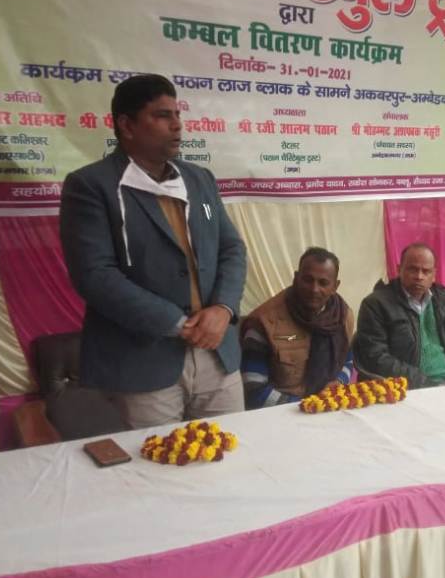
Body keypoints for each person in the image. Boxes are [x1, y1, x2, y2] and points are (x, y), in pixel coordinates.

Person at [60, 74, 247, 428]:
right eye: (162, 116)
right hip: (143, 360)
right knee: (158, 458)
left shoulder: (199, 180)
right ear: (127, 125)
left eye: (177, 114)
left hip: (216, 353)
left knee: (230, 452)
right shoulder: (91, 186)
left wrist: (223, 308)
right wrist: (176, 323)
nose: (177, 125)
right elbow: (95, 275)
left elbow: (231, 248)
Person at [353, 243, 445, 388]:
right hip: (407, 389)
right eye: (412, 269)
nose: (419, 277)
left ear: (434, 275)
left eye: (426, 271)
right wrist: (429, 385)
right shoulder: (376, 304)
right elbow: (376, 357)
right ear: (399, 269)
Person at [240, 247, 355, 408]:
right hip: (281, 413)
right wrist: (306, 406)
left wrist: (340, 381)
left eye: (323, 283)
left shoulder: (343, 316)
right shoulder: (264, 322)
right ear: (296, 277)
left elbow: (348, 359)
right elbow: (253, 387)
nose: (314, 289)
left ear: (335, 286)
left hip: (329, 407)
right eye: (307, 280)